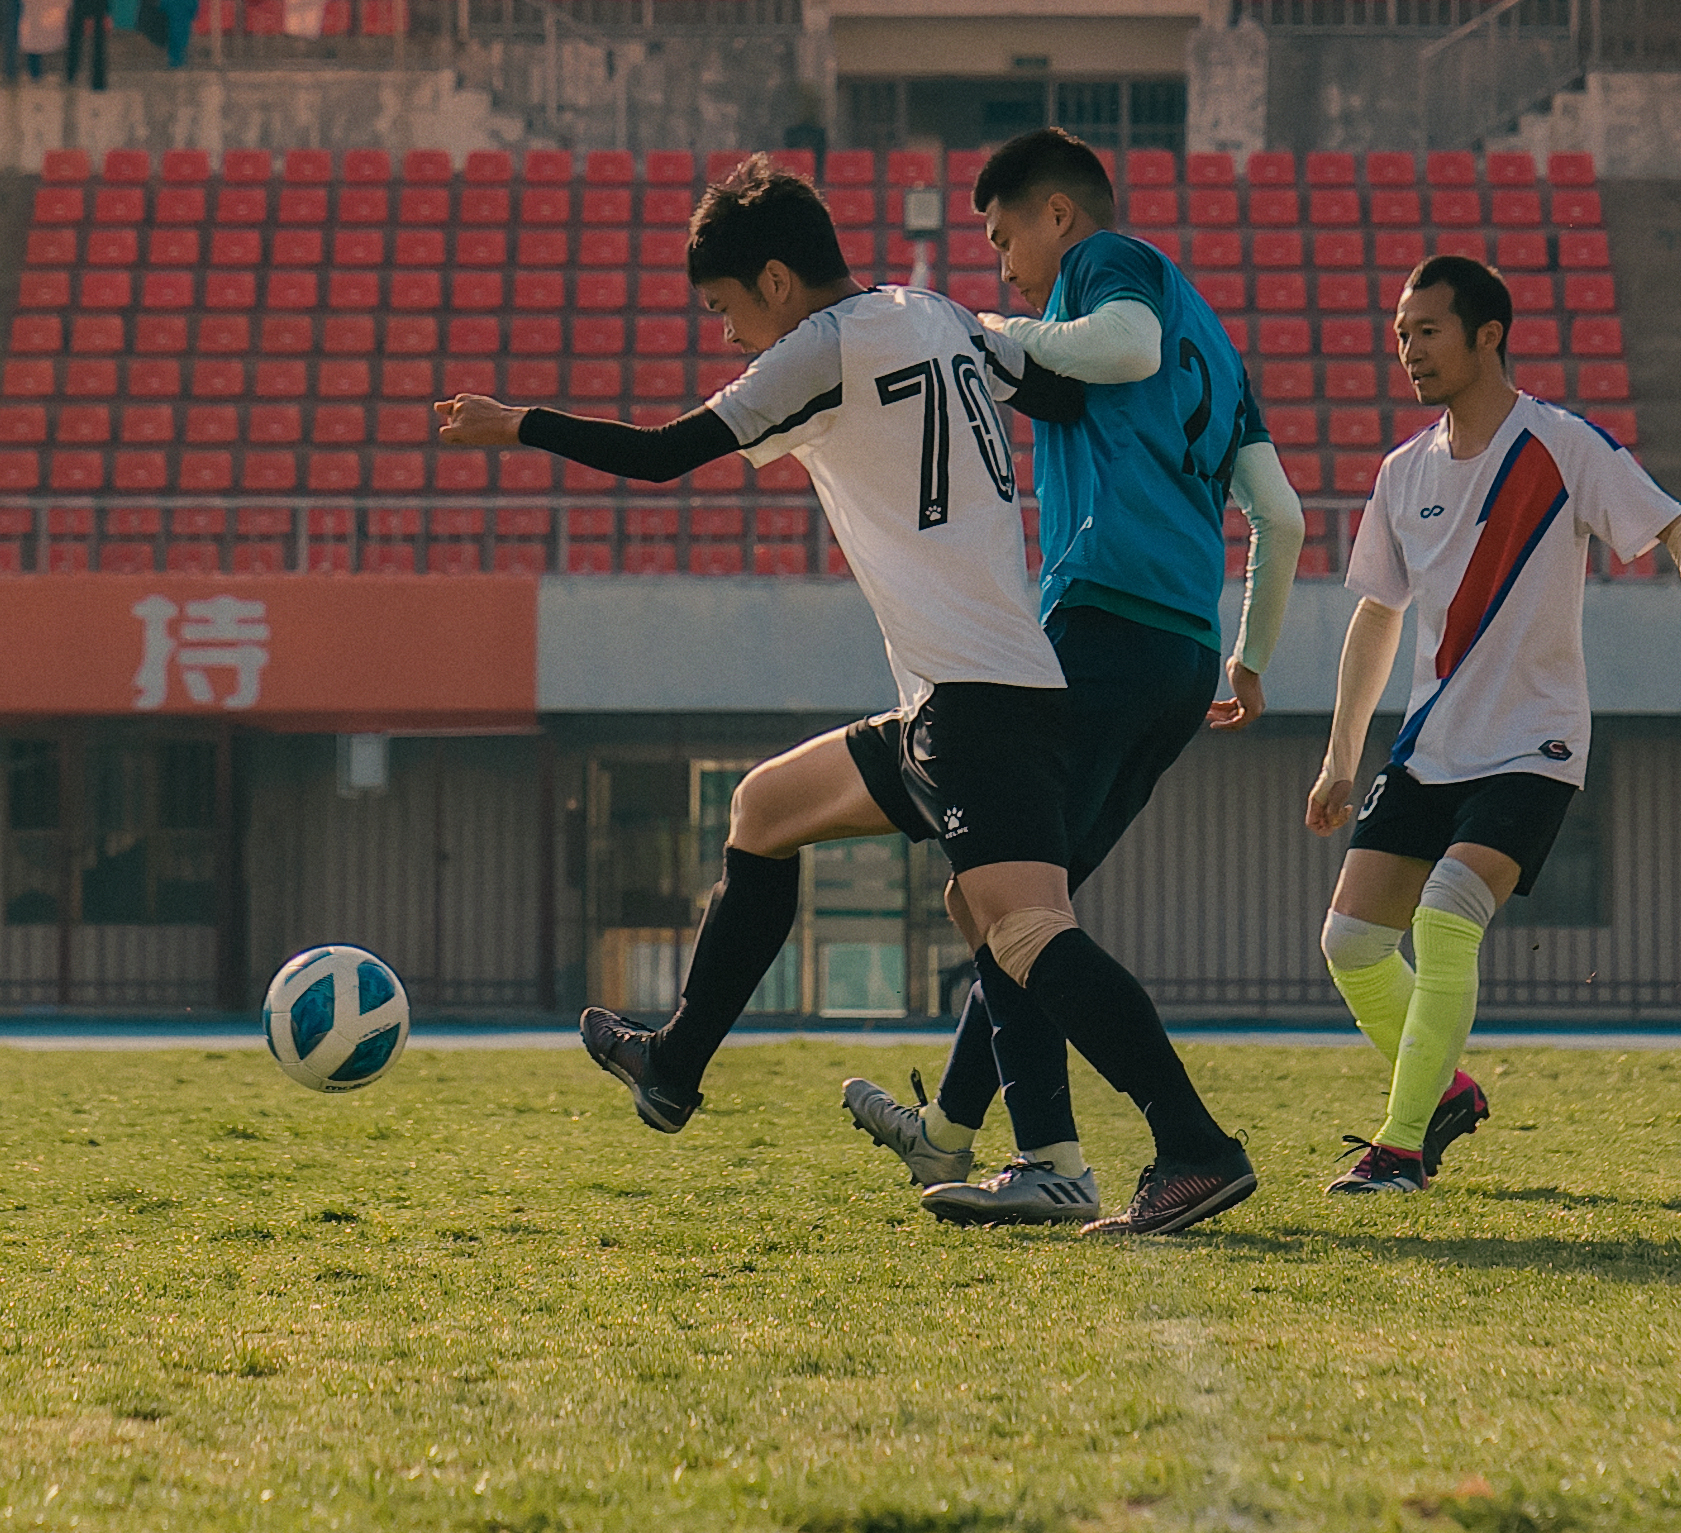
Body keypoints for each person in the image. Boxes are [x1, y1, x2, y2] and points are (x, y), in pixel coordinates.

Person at [438, 159, 1292, 1195]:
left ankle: (1191, 1145)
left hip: (978, 702)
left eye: (724, 309)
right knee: (766, 809)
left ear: (776, 281)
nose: (725, 334)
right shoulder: (935, 313)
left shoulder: (816, 350)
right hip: (964, 696)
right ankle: (676, 1066)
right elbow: (1064, 390)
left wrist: (519, 422)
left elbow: (667, 456)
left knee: (1023, 930)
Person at [819, 125, 1278, 1237]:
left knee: (997, 896)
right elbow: (1284, 515)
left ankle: (1103, 1154)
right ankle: (958, 1129)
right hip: (1180, 651)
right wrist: (1250, 657)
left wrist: (993, 330)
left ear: (1059, 215)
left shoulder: (1112, 271)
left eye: (1003, 233)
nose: (1003, 260)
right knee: (1024, 904)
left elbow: (1113, 345)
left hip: (1097, 621)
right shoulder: (1213, 348)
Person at [1307, 255, 1681, 1193]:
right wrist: (1341, 755)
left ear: (1488, 336)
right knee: (1350, 943)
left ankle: (1400, 1147)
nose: (1409, 351)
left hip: (1534, 745)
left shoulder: (1558, 443)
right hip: (1430, 744)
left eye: (1427, 331)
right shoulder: (1401, 474)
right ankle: (1442, 1091)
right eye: (1400, 334)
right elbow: (1377, 616)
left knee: (1443, 920)